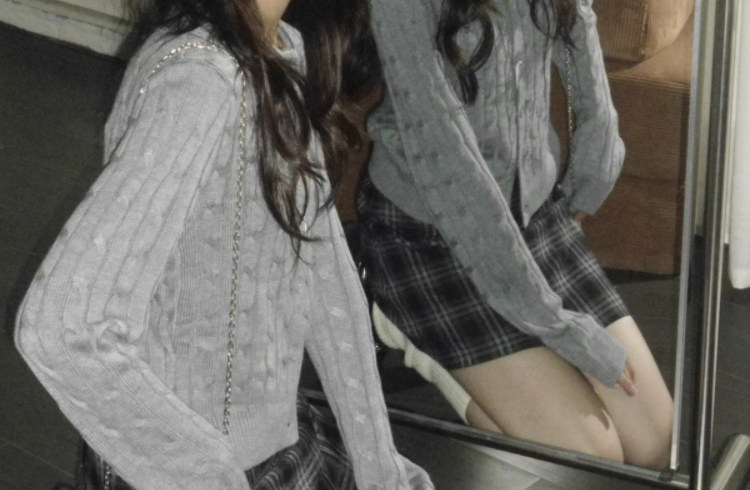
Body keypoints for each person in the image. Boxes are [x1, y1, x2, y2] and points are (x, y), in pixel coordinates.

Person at [13, 0, 434, 488]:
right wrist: (212, 475)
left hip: (272, 435)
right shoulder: (201, 79)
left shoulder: (279, 48)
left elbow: (327, 279)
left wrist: (380, 466)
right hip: (206, 464)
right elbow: (62, 329)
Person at [358, 0, 674, 469]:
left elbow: (573, 23)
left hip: (532, 214)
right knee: (590, 460)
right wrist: (563, 329)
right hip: (431, 235)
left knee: (655, 442)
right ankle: (414, 336)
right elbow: (448, 167)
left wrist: (596, 159)